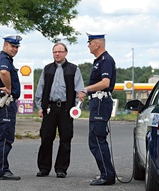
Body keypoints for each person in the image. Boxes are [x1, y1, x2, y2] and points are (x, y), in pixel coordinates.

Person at [35, 42, 84, 178]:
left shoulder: (74, 69)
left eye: (60, 52)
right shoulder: (47, 69)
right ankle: (44, 168)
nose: (57, 54)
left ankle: (61, 169)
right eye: (55, 52)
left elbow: (79, 90)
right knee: (46, 138)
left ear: (65, 53)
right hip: (49, 108)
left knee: (65, 139)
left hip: (66, 109)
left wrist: (75, 109)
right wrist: (40, 107)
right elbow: (40, 89)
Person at [78, 32, 116, 186]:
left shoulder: (105, 60)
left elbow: (105, 82)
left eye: (90, 42)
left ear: (97, 44)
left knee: (97, 139)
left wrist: (86, 89)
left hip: (101, 102)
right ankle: (106, 172)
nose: (88, 45)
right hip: (97, 102)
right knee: (95, 139)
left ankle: (107, 175)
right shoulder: (99, 61)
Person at [0, 34, 22, 180]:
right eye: (12, 46)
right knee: (4, 138)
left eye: (16, 47)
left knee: (0, 137)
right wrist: (8, 88)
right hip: (5, 102)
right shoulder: (3, 60)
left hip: (1, 102)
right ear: (5, 46)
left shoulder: (4, 59)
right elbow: (4, 72)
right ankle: (1, 170)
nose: (15, 49)